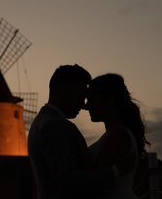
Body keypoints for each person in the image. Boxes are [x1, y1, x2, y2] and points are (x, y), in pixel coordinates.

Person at [28, 65, 116, 199]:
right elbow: (68, 180)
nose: (83, 104)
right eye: (80, 96)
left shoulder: (41, 122)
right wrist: (115, 172)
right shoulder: (54, 125)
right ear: (63, 91)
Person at [85, 73, 149, 199]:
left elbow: (92, 181)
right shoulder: (115, 134)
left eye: (91, 99)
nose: (86, 106)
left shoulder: (118, 136)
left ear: (109, 100)